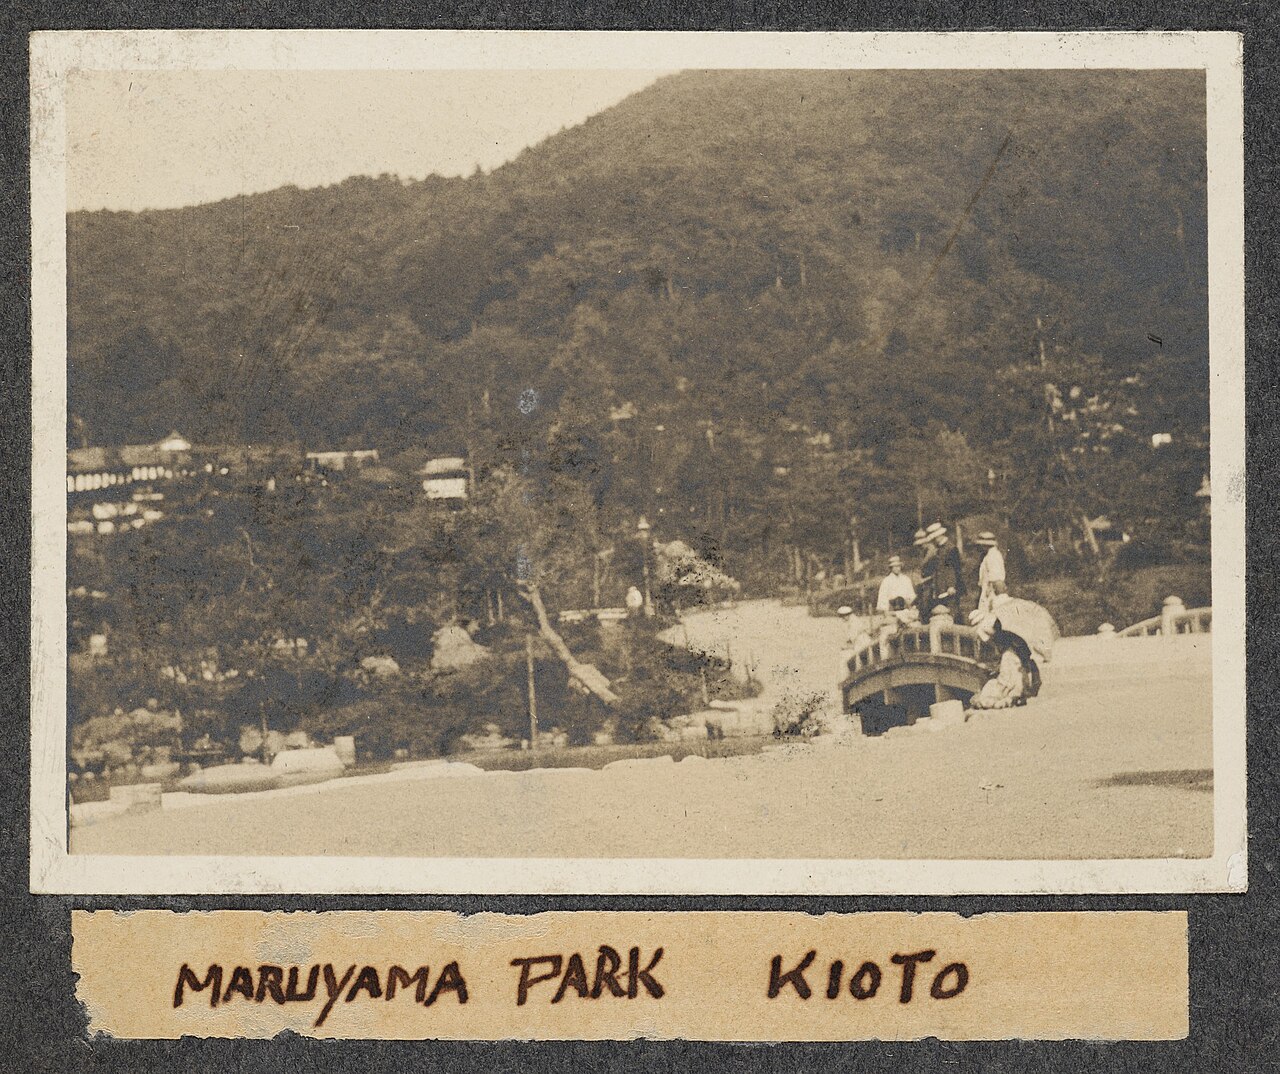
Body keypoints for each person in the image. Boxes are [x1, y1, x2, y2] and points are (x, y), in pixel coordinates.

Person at [930, 523, 966, 618]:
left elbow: (956, 569)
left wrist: (952, 586)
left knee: (952, 612)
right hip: (941, 587)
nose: (934, 540)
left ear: (940, 535)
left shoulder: (951, 548)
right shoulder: (939, 549)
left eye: (935, 538)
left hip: (950, 588)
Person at [973, 530, 1007, 617]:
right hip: (987, 594)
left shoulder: (993, 557)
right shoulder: (988, 556)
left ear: (984, 545)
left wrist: (1000, 601)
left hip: (993, 596)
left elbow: (997, 581)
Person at [916, 525, 939, 612]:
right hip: (925, 582)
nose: (920, 547)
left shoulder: (932, 553)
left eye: (921, 544)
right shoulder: (924, 552)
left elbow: (937, 571)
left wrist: (925, 579)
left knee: (928, 604)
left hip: (931, 583)